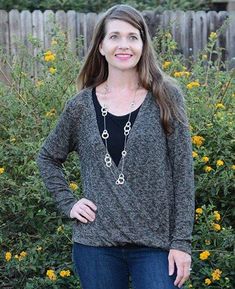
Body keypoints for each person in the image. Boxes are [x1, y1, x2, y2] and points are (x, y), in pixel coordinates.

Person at [37, 4, 195, 289]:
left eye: (133, 37)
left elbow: (183, 176)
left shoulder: (166, 97)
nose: (124, 45)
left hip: (156, 246)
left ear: (143, 45)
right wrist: (68, 203)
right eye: (115, 37)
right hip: (95, 245)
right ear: (101, 46)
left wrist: (181, 243)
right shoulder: (81, 106)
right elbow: (48, 156)